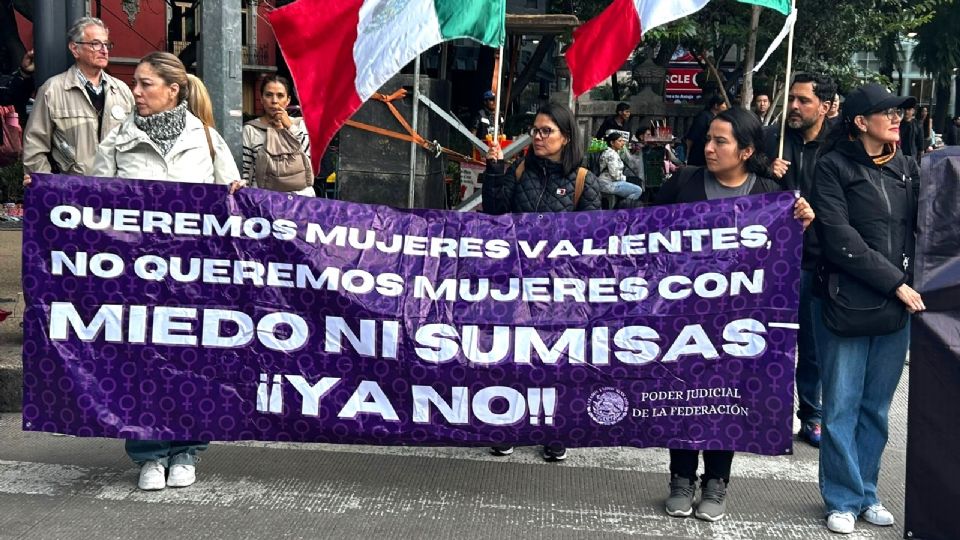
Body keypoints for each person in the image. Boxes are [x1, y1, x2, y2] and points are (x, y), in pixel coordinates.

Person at [91, 52, 241, 491]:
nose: (134, 91)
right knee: (142, 363)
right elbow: (95, 206)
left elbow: (233, 205)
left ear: (173, 90)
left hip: (195, 280)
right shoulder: (117, 141)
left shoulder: (209, 141)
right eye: (135, 83)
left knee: (192, 362)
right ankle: (149, 454)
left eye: (144, 84)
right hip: (137, 279)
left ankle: (188, 450)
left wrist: (236, 193)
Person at [656, 107, 814, 523]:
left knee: (725, 398)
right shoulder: (684, 183)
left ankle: (716, 482)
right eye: (708, 139)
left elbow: (789, 253)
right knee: (683, 396)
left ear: (746, 150)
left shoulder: (769, 193)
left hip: (741, 322)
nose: (708, 148)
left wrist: (804, 220)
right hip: (683, 317)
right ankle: (681, 477)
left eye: (720, 141)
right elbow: (642, 233)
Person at [811, 83, 923, 535]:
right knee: (839, 406)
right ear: (860, 122)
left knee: (876, 407)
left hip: (898, 307)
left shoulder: (910, 169)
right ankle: (841, 497)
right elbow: (840, 239)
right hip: (846, 303)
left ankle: (867, 493)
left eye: (899, 113)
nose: (897, 119)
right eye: (887, 112)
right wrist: (897, 283)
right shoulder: (832, 168)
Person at [482, 101, 601, 462]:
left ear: (566, 138)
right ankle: (509, 424)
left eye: (546, 131)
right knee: (514, 355)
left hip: (560, 288)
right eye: (535, 130)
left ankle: (555, 429)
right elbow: (495, 213)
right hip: (516, 283)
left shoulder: (583, 181)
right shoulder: (519, 172)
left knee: (555, 359)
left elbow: (592, 239)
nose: (538, 137)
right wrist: (495, 170)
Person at [763, 72, 837, 448]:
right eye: (791, 98)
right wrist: (765, 166)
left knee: (810, 345)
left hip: (814, 260)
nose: (794, 106)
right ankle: (767, 413)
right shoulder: (773, 139)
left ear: (824, 106)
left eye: (803, 100)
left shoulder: (839, 145)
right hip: (772, 260)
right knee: (768, 340)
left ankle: (811, 414)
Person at [22, 17, 134, 175]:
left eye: (106, 44)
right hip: (72, 191)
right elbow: (34, 147)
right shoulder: (52, 90)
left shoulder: (122, 90)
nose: (104, 50)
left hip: (115, 190)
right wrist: (50, 186)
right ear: (75, 49)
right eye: (96, 44)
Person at [242, 75, 314, 196]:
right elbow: (245, 170)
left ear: (288, 100)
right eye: (269, 95)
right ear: (261, 99)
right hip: (264, 200)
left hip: (300, 200)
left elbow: (307, 159)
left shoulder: (300, 125)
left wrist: (289, 127)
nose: (274, 101)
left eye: (280, 96)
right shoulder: (250, 130)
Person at [597, 130, 643, 202]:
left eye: (622, 141)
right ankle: (623, 207)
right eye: (619, 141)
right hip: (608, 184)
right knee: (638, 190)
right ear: (612, 143)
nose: (623, 143)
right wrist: (626, 179)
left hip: (608, 182)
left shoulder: (611, 152)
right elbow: (615, 175)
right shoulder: (611, 154)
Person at [684, 95, 727, 167]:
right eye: (724, 104)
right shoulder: (704, 117)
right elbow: (691, 137)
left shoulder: (717, 118)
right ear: (716, 105)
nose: (725, 106)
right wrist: (687, 155)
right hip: (699, 154)